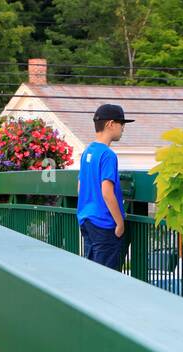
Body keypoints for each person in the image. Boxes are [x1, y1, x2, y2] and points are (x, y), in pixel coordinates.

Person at [77, 103, 133, 270]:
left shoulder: (88, 151)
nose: (123, 128)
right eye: (121, 123)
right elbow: (107, 193)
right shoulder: (108, 155)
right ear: (110, 124)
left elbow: (80, 187)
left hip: (87, 220)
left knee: (93, 273)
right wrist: (120, 222)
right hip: (104, 224)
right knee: (106, 278)